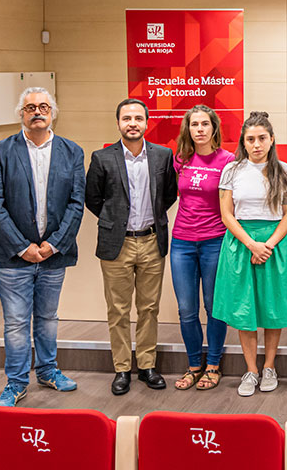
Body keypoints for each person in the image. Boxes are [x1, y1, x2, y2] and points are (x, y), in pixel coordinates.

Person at [0, 87, 84, 407]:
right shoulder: (0, 151)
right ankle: (15, 382)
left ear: (53, 112)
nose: (37, 112)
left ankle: (48, 370)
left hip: (54, 256)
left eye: (43, 106)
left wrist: (54, 245)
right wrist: (21, 246)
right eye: (30, 108)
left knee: (48, 318)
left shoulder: (72, 151)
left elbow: (76, 203)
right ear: (21, 114)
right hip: (13, 258)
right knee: (15, 322)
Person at [85, 99, 178, 396]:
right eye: (127, 118)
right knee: (118, 310)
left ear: (147, 122)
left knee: (149, 308)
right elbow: (93, 199)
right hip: (118, 244)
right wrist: (115, 220)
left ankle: (148, 366)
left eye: (138, 118)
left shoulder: (163, 156)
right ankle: (122, 368)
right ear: (118, 123)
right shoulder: (102, 158)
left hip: (152, 241)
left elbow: (169, 194)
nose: (132, 123)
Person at [213, 112, 287, 397]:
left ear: (271, 139)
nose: (256, 145)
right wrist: (252, 245)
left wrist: (268, 245)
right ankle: (250, 370)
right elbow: (227, 215)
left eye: (262, 138)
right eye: (250, 139)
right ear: (243, 140)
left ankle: (269, 367)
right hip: (241, 244)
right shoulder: (232, 170)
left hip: (275, 245)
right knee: (245, 310)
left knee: (272, 309)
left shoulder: (285, 170)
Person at [170, 104, 235, 391]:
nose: (199, 129)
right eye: (194, 124)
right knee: (186, 309)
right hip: (182, 242)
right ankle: (194, 365)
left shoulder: (228, 161)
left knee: (214, 307)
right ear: (188, 129)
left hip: (215, 241)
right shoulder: (180, 159)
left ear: (213, 128)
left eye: (204, 124)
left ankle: (213, 366)